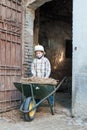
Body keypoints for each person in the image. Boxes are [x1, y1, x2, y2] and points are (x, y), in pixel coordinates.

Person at [31, 44, 54, 109]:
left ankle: (51, 103)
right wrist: (34, 75)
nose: (38, 54)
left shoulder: (46, 60)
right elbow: (33, 68)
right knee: (37, 91)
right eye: (37, 53)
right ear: (35, 54)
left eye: (39, 53)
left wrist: (46, 77)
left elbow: (48, 69)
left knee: (47, 91)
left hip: (44, 79)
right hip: (37, 79)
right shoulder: (34, 61)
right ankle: (36, 104)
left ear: (42, 53)